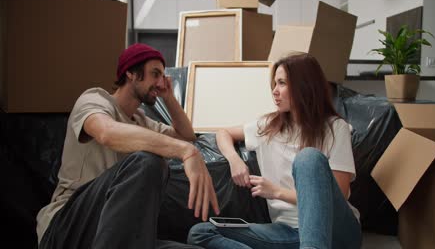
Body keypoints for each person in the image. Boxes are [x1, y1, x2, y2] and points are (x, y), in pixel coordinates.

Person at [36, 43, 219, 249]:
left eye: (163, 76)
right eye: (155, 74)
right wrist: (186, 153)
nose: (160, 82)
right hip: (67, 227)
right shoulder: (94, 100)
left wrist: (168, 97)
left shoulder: (141, 120)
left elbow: (186, 136)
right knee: (148, 161)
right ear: (131, 73)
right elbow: (107, 132)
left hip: (118, 233)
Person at [187, 53, 361, 249]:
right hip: (287, 232)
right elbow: (223, 133)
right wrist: (235, 160)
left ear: (304, 85)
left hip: (335, 230)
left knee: (308, 158)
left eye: (282, 83)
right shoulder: (267, 127)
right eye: (274, 84)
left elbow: (340, 193)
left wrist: (277, 192)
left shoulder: (335, 128)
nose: (274, 91)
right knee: (201, 233)